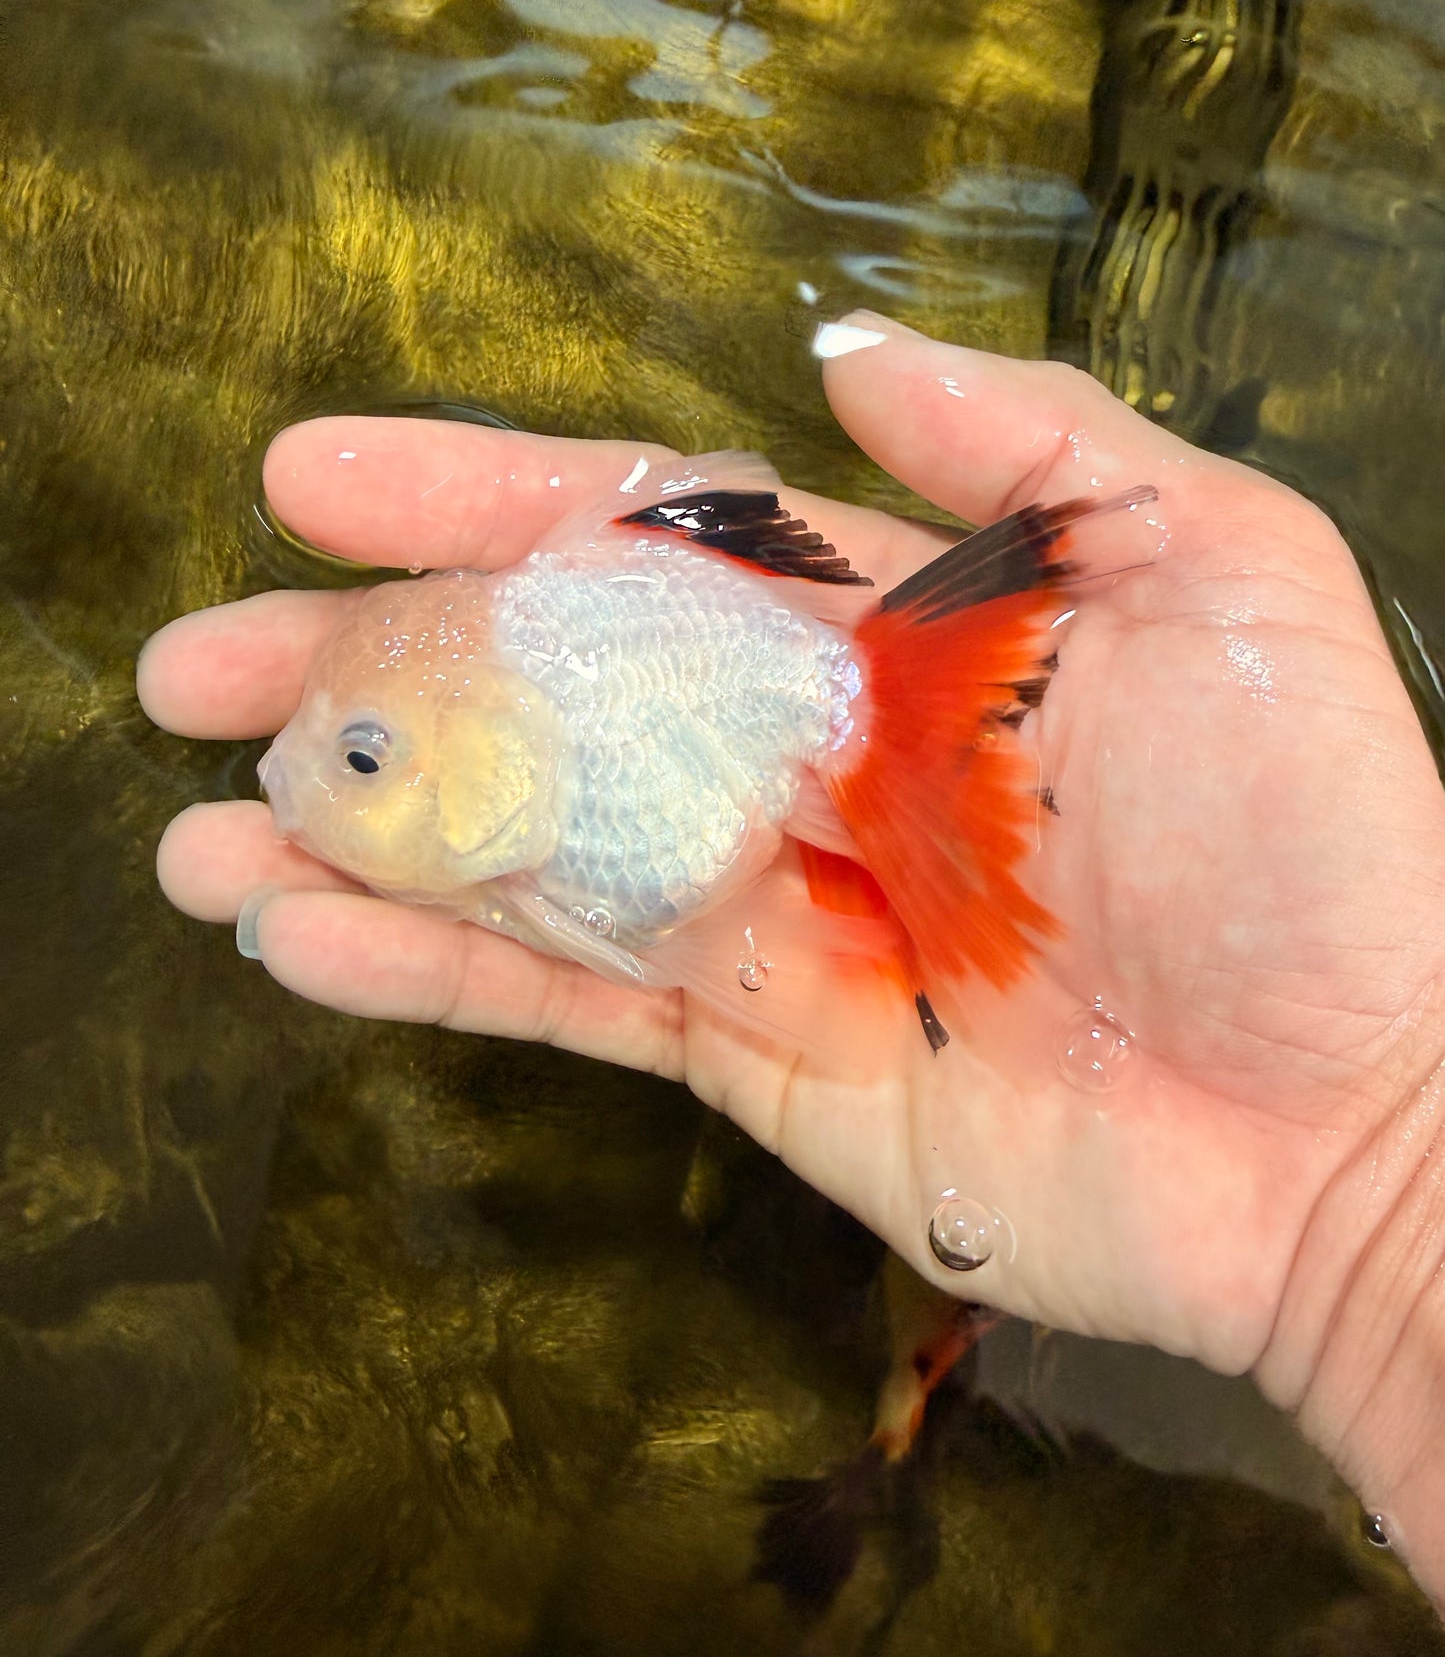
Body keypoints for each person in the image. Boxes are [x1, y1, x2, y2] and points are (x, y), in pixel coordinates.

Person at [138, 313, 1445, 1610]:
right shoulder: (513, 742)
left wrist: (1392, 1176)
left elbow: (680, 913)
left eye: (361, 756)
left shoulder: (592, 731)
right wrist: (1381, 1220)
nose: (304, 777)